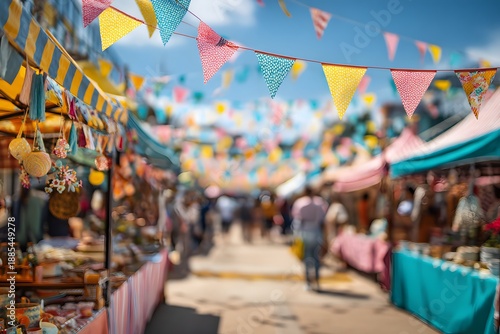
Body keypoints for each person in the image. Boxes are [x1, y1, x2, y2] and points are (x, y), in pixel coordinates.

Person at [292, 186, 328, 291]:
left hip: (304, 234)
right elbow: (323, 221)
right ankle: (316, 281)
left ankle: (308, 282)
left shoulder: (300, 203)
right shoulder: (320, 203)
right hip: (316, 233)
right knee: (316, 258)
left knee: (307, 258)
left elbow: (297, 221)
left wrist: (296, 236)